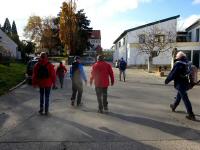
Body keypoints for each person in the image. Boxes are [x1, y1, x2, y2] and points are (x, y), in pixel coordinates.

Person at [165, 51, 195, 120]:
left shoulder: (178, 64)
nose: (176, 57)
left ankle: (191, 114)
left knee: (185, 98)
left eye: (176, 56)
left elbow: (173, 73)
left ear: (179, 57)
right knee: (180, 94)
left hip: (180, 83)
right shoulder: (188, 62)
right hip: (187, 83)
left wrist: (167, 80)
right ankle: (174, 106)